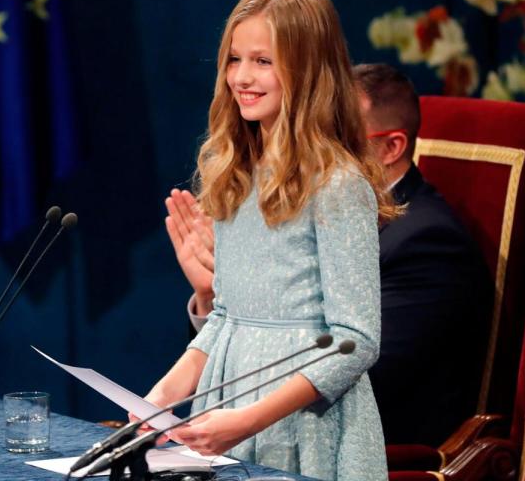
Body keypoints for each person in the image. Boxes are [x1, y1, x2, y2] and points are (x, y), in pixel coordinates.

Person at [141, 0, 393, 480]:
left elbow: (357, 340)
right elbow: (225, 314)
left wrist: (249, 420)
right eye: (234, 60)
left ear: (309, 71)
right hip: (228, 400)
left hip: (305, 428)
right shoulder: (232, 173)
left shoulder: (338, 185)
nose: (241, 77)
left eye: (263, 61)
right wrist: (159, 398)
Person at [166, 63, 491, 446]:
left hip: (366, 449)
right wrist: (218, 295)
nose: (315, 144)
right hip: (269, 432)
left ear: (391, 148)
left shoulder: (427, 244)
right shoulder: (308, 210)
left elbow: (355, 372)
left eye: (335, 132)